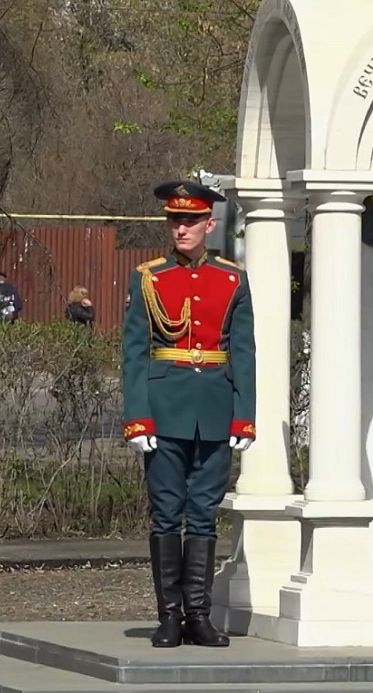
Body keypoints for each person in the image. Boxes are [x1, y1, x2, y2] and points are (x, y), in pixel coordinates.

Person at [121, 180, 256, 649]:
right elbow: (134, 352)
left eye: (191, 221)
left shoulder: (232, 279)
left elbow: (244, 351)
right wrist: (137, 418)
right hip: (164, 409)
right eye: (175, 220)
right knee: (166, 516)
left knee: (202, 516)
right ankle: (169, 618)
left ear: (209, 225)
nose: (181, 228)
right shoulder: (149, 277)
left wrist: (244, 417)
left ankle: (199, 616)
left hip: (215, 408)